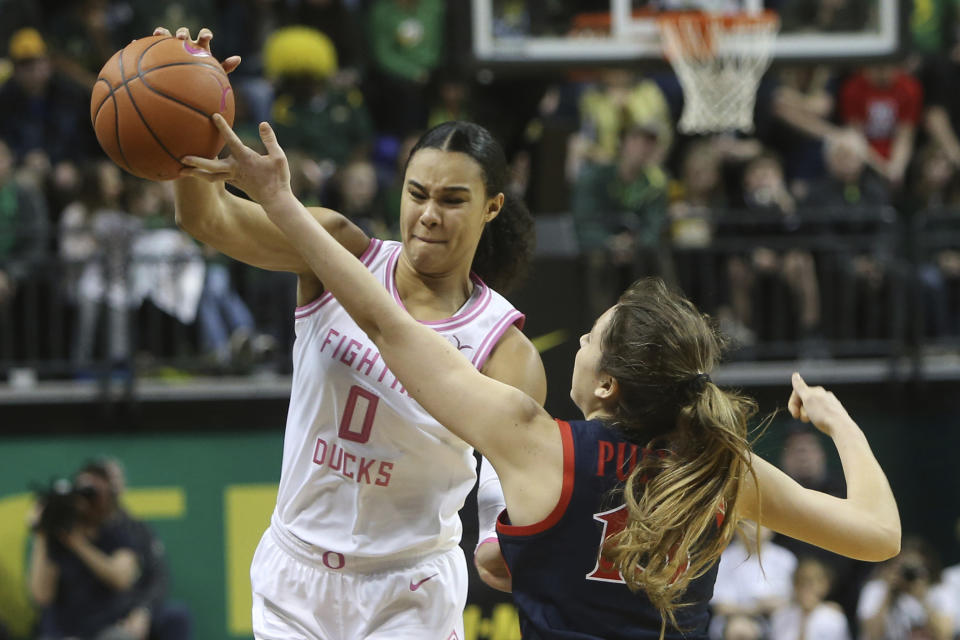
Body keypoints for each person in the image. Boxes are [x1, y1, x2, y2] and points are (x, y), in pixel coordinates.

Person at [202, 113, 902, 639]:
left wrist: (283, 201)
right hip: (312, 566)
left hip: (402, 578)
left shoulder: (542, 447)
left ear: (608, 385)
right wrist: (840, 422)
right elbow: (877, 535)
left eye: (593, 337)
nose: (581, 341)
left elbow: (387, 328)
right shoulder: (724, 470)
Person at [158, 26, 546, 639]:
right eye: (417, 193)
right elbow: (204, 216)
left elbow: (508, 469)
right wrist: (190, 105)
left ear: (491, 208)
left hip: (409, 584)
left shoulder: (503, 344)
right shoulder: (337, 249)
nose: (427, 215)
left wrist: (501, 535)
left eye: (451, 200)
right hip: (296, 570)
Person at [28, 464, 144, 640]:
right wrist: (42, 533)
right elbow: (42, 596)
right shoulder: (55, 539)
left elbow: (121, 578)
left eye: (94, 495)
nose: (88, 503)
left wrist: (79, 544)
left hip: (104, 629)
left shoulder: (116, 535)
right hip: (61, 631)